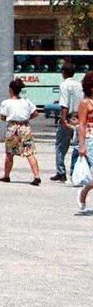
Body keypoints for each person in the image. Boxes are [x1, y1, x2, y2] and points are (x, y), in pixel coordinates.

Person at [0, 78, 41, 185]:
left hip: (13, 127)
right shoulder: (26, 101)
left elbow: (3, 117)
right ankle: (36, 176)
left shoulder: (6, 103)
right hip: (25, 126)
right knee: (29, 152)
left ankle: (6, 175)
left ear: (10, 90)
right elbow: (35, 113)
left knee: (9, 153)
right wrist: (26, 118)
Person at [53, 59, 84, 183]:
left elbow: (64, 104)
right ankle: (74, 171)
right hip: (78, 116)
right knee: (77, 144)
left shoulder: (64, 85)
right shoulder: (79, 84)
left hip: (69, 117)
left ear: (63, 73)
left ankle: (61, 172)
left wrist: (62, 118)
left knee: (61, 145)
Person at [74, 73, 93, 214]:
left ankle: (85, 190)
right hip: (90, 139)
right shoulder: (85, 103)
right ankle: (84, 192)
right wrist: (81, 145)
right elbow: (81, 125)